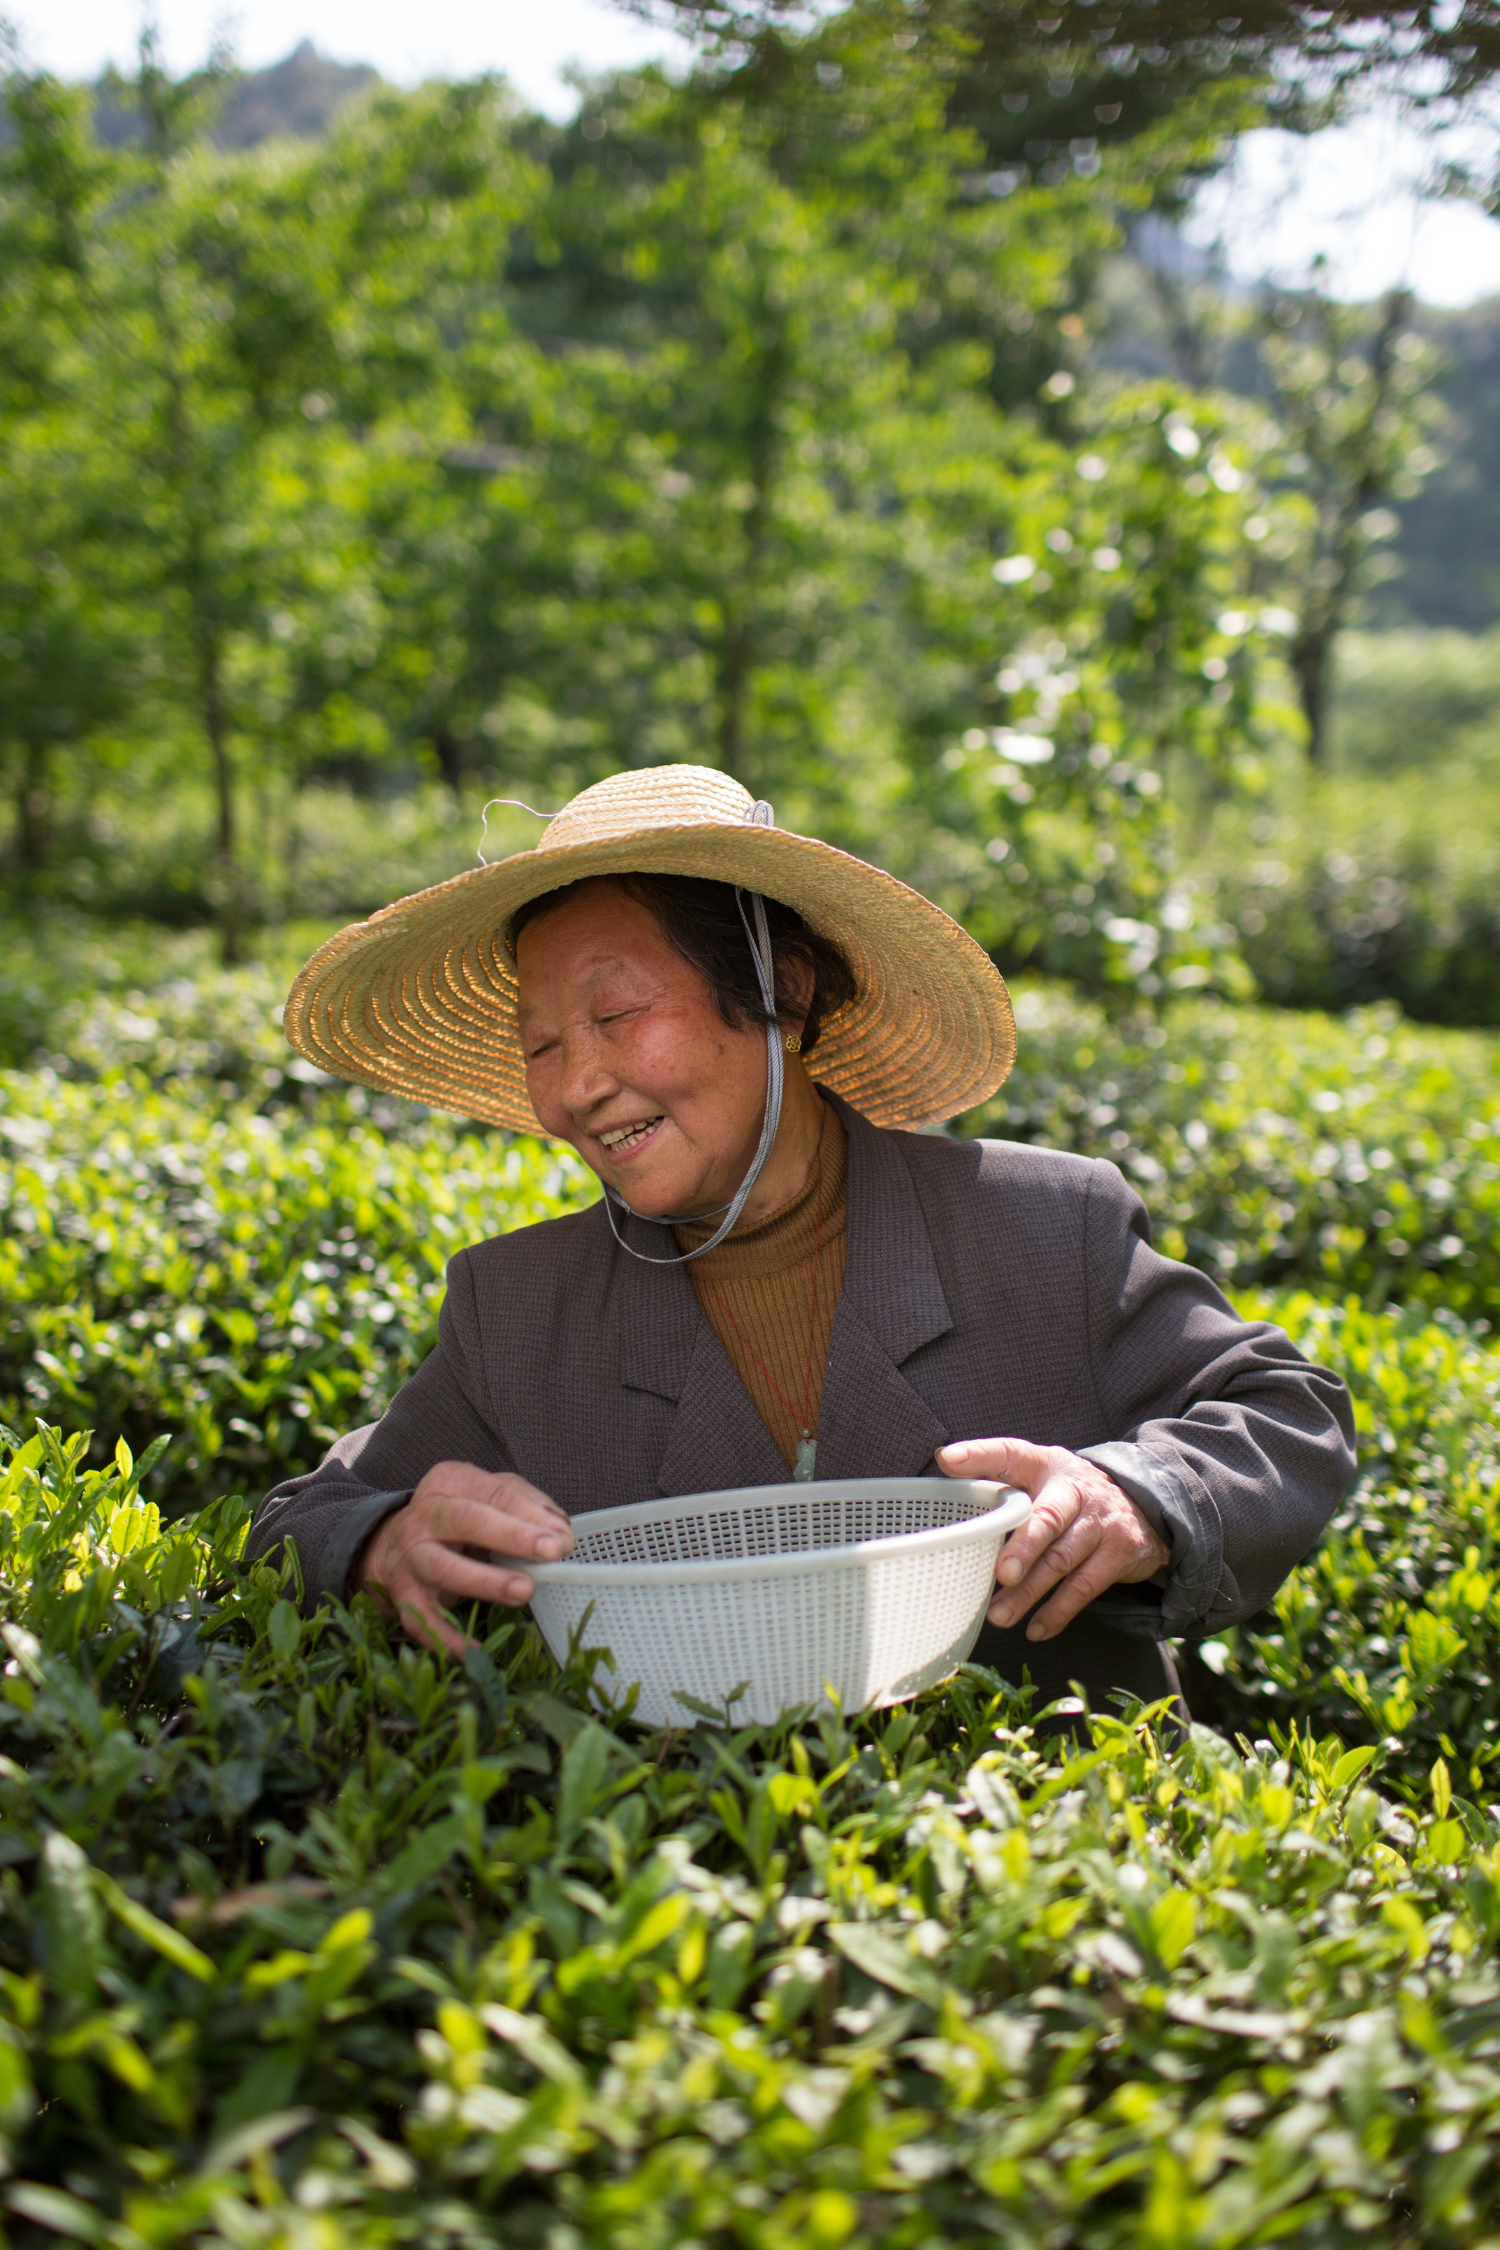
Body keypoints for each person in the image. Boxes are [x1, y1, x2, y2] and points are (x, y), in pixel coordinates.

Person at [246, 764, 1356, 1716]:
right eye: (541, 1041)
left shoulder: (1043, 1227)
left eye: (615, 1012)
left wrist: (1140, 1495)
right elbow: (300, 1518)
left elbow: (1287, 1413)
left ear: (782, 986)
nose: (577, 1086)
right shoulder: (521, 1310)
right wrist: (384, 1541)